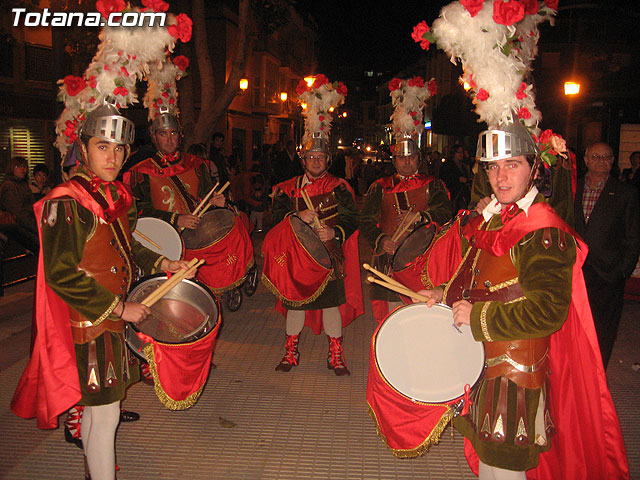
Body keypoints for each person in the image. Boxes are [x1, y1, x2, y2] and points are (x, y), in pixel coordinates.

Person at [416, 122, 628, 479]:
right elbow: (479, 278)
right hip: (482, 364)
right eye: (492, 166)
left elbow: (548, 312)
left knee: (506, 470)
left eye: (511, 164)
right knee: (488, 464)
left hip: (515, 377)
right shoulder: (497, 217)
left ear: (533, 168)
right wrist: (443, 295)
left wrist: (478, 316)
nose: (500, 176)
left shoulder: (543, 230)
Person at [11, 103, 193, 480]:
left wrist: (163, 264)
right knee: (105, 414)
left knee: (102, 414)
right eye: (102, 147)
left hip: (113, 320)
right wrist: (118, 308)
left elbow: (130, 246)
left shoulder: (116, 195)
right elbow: (60, 275)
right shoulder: (67, 201)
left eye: (120, 149)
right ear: (84, 148)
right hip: (91, 323)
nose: (112, 157)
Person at [266, 137, 362, 375]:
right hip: (297, 259)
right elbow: (276, 218)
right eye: (311, 157)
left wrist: (334, 232)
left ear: (327, 160)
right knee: (295, 306)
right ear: (303, 160)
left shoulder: (339, 187)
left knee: (331, 307)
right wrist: (297, 215)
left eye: (320, 157)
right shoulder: (286, 189)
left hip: (328, 257)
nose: (316, 162)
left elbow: (351, 218)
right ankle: (290, 352)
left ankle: (336, 354)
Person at [360, 78, 451, 322]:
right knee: (390, 319)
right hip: (388, 262)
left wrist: (422, 217)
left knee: (421, 316)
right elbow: (366, 222)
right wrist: (382, 240)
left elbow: (445, 213)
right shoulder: (379, 187)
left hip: (424, 262)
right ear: (395, 160)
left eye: (412, 158)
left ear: (419, 159)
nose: (407, 162)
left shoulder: (433, 184)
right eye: (402, 158)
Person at [574, 142, 640, 369]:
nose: (601, 161)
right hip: (575, 273)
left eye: (606, 157)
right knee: (574, 329)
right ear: (586, 160)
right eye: (595, 157)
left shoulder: (625, 193)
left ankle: (596, 376)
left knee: (603, 332)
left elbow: (633, 237)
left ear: (612, 162)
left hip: (608, 275)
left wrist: (622, 271)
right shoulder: (574, 187)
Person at [0, 156, 39, 252]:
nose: (23, 169)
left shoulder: (23, 184)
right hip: (18, 230)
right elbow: (18, 212)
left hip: (25, 226)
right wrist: (35, 227)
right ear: (12, 168)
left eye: (24, 166)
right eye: (18, 166)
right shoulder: (9, 185)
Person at [440, 144, 472, 213]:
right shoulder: (448, 164)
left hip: (462, 195)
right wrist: (458, 179)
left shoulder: (463, 165)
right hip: (452, 194)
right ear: (454, 153)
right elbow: (446, 177)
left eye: (462, 152)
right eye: (458, 152)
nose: (461, 154)